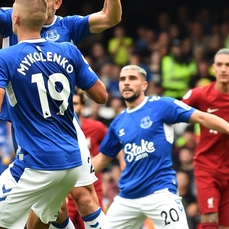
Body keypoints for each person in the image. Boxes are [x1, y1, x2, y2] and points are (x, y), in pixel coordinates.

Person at [0, 0, 126, 229]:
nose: (33, 2)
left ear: (55, 4)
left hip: (61, 126)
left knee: (83, 197)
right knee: (53, 209)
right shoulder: (57, 43)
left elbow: (110, 19)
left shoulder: (68, 27)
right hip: (25, 124)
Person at [93, 65, 229, 229]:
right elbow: (102, 159)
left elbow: (202, 117)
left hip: (160, 193)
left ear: (144, 85)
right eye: (122, 79)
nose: (126, 83)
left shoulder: (162, 105)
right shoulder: (118, 123)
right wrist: (73, 180)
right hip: (127, 198)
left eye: (132, 78)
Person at [181, 49, 229, 229]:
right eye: (220, 65)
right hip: (207, 167)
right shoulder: (200, 94)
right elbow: (173, 110)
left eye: (228, 65)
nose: (224, 69)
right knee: (210, 220)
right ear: (213, 69)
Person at [66, 90, 107, 229]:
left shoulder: (97, 128)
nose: (71, 107)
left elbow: (112, 145)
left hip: (92, 189)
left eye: (75, 103)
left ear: (83, 106)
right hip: (68, 191)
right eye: (68, 103)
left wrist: (122, 161)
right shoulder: (59, 130)